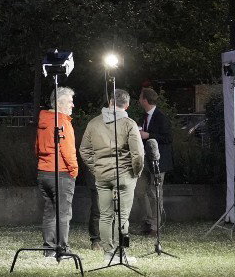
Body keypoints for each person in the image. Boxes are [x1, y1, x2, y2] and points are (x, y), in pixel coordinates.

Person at [80, 88, 144, 260]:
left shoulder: (93, 123)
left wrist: (96, 168)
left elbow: (84, 150)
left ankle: (108, 253)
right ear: (127, 105)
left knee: (105, 215)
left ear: (109, 102)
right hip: (124, 175)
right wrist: (135, 172)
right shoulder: (129, 123)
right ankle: (122, 252)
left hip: (101, 175)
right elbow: (138, 154)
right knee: (122, 216)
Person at [35, 86, 78, 258]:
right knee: (63, 213)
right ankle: (63, 249)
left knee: (50, 211)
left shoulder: (43, 121)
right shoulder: (62, 122)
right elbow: (68, 150)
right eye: (69, 101)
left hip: (43, 172)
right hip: (60, 173)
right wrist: (74, 170)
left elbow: (37, 147)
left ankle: (49, 248)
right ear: (59, 103)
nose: (73, 105)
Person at [135, 87, 173, 237]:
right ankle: (147, 222)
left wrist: (148, 135)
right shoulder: (143, 116)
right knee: (139, 191)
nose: (138, 100)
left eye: (140, 97)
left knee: (155, 193)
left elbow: (168, 138)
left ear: (145, 100)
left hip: (158, 162)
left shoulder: (161, 117)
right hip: (144, 160)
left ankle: (156, 227)